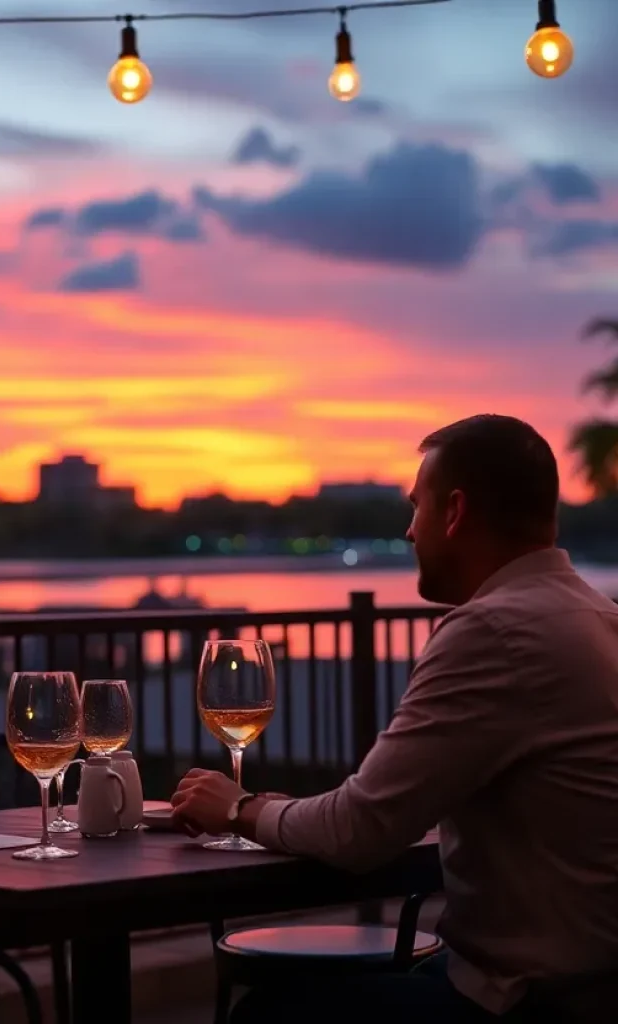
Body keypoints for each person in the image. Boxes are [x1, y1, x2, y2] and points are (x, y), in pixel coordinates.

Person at [172, 415, 618, 1023]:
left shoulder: (493, 630)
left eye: (416, 507)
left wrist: (236, 808)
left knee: (268, 1014)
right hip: (593, 981)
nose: (410, 531)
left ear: (454, 511)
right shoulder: (597, 616)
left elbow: (362, 829)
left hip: (529, 999)